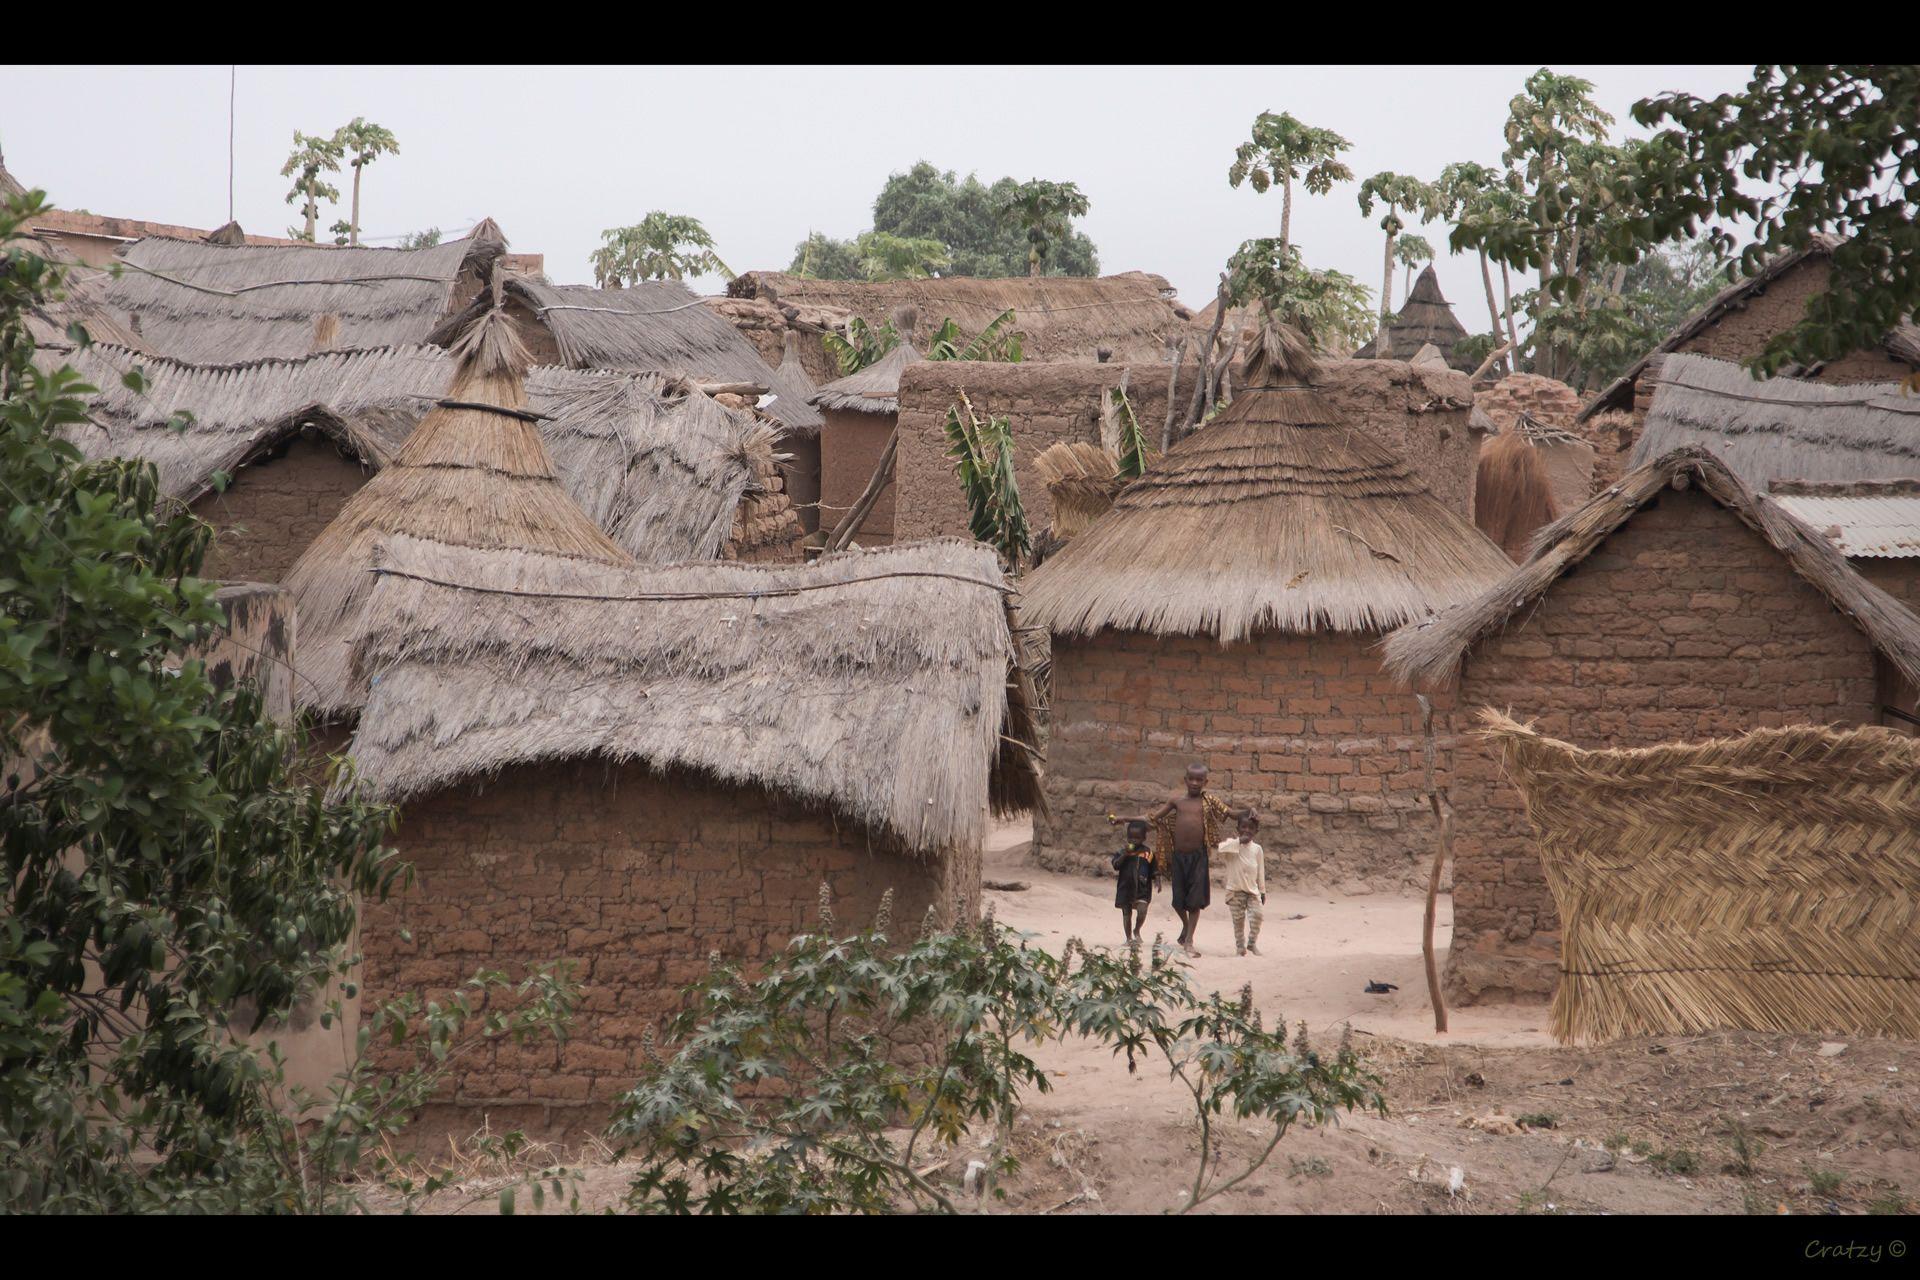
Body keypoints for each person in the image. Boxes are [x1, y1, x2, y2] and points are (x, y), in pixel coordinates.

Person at [1109, 763, 1250, 957]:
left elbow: (1229, 813)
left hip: (1198, 857)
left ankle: (1189, 941)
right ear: (1185, 780)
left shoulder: (1208, 801)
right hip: (1178, 857)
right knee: (1177, 901)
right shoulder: (1177, 802)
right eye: (1191, 778)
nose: (1194, 782)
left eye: (1199, 780)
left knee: (1195, 900)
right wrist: (1124, 818)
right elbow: (1152, 818)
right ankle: (1185, 925)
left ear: (1205, 782)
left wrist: (1249, 810)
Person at [1219, 813, 1266, 957]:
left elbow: (1260, 871)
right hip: (1235, 891)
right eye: (1243, 827)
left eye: (1251, 828)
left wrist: (1262, 891)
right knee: (1238, 921)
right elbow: (1221, 848)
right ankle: (1240, 947)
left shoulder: (1257, 849)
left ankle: (1252, 944)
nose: (1247, 830)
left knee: (1257, 916)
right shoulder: (1232, 845)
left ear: (1256, 831)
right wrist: (1238, 841)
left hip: (1252, 891)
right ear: (1237, 828)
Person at [1110, 819, 1155, 944]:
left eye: (1137, 838)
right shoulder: (1121, 852)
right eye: (1131, 837)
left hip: (1143, 887)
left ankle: (1137, 930)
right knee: (1126, 913)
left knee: (1142, 910)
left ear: (1144, 838)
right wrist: (1125, 855)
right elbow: (1115, 865)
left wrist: (1158, 880)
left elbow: (1154, 869)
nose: (1133, 840)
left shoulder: (1147, 853)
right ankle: (1128, 937)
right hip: (1126, 887)